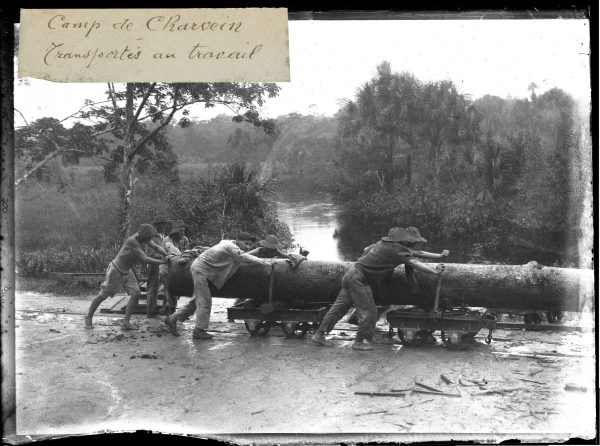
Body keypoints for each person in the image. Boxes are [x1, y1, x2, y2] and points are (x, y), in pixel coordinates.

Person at [310, 227, 449, 351]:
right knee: (369, 312)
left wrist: (439, 256)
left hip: (350, 275)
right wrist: (434, 272)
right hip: (360, 280)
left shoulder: (383, 244)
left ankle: (319, 335)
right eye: (413, 243)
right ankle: (359, 342)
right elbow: (415, 262)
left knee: (338, 308)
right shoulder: (397, 250)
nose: (414, 245)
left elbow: (417, 253)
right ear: (406, 242)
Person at [163, 232, 274, 340]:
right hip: (201, 271)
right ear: (238, 241)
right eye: (246, 243)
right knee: (205, 301)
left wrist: (257, 252)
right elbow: (244, 257)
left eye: (250, 245)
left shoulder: (230, 245)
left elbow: (241, 256)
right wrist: (266, 262)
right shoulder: (230, 246)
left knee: (197, 300)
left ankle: (173, 318)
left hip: (206, 272)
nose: (248, 246)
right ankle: (199, 330)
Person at [85, 224, 168, 330]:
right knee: (103, 295)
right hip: (116, 271)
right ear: (143, 235)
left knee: (136, 294)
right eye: (148, 237)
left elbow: (156, 247)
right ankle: (88, 316)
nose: (149, 240)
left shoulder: (144, 237)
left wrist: (167, 254)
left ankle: (126, 322)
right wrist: (162, 262)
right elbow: (144, 259)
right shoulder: (132, 241)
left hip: (127, 270)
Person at [158, 219, 191, 315]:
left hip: (178, 268)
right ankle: (170, 311)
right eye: (181, 230)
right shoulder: (167, 240)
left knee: (175, 291)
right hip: (166, 268)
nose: (183, 232)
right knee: (170, 290)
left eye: (184, 230)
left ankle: (168, 309)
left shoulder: (185, 240)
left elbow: (186, 252)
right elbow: (173, 251)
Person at [145, 214, 171, 318]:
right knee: (153, 288)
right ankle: (151, 312)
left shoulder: (164, 237)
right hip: (154, 265)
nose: (165, 226)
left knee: (168, 287)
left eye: (165, 224)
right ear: (158, 225)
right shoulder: (151, 237)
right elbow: (150, 254)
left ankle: (165, 310)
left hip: (164, 265)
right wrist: (165, 255)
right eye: (163, 224)